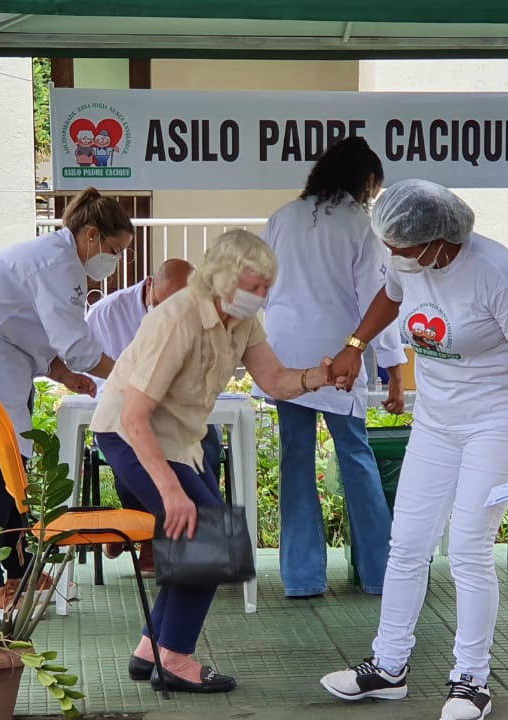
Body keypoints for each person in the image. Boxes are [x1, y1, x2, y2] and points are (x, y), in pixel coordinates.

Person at [319, 180, 508, 720]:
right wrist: (355, 346)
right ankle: (388, 667)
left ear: (437, 241)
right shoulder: (410, 263)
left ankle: (471, 680)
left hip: (497, 421)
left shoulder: (496, 273)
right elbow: (392, 294)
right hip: (437, 418)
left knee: (470, 550)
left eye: (401, 250)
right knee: (406, 543)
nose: (394, 258)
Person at [90, 229, 345, 694]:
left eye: (267, 286)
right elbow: (134, 414)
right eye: (255, 285)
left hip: (181, 439)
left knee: (203, 539)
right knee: (209, 540)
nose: (263, 295)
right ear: (222, 279)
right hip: (131, 433)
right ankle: (176, 659)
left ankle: (152, 648)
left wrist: (317, 377)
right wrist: (170, 492)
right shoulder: (178, 317)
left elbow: (273, 378)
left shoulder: (242, 320)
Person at [0, 186, 130, 608]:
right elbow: (74, 343)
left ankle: (20, 568)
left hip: (0, 360)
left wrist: (63, 374)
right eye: (115, 249)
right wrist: (125, 374)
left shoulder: (59, 261)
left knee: (16, 469)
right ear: (93, 235)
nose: (116, 261)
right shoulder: (57, 265)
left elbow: (33, 329)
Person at [258, 137, 407, 598]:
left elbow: (261, 287)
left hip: (283, 354)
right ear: (365, 181)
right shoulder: (361, 224)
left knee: (295, 462)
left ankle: (302, 579)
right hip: (341, 352)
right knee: (356, 460)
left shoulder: (282, 217)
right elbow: (379, 300)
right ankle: (380, 574)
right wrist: (393, 369)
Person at [85, 258, 196, 572]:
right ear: (149, 286)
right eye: (160, 305)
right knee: (130, 443)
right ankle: (149, 536)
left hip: (179, 417)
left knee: (207, 449)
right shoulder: (106, 314)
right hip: (125, 414)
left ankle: (187, 546)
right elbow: (92, 377)